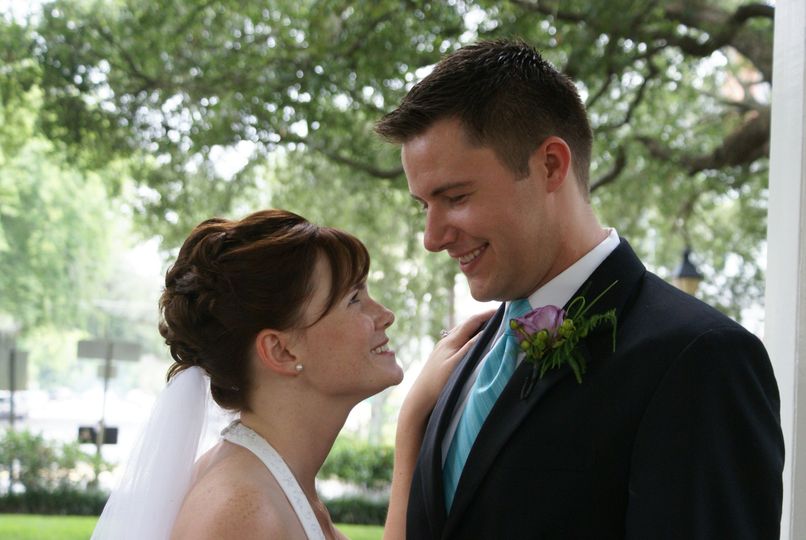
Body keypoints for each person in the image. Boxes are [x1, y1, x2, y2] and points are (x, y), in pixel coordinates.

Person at [375, 39, 784, 539]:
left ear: (550, 165)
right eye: (424, 205)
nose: (432, 238)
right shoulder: (463, 357)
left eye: (455, 197)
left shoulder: (700, 358)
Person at [90, 209, 490, 540]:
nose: (385, 315)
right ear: (281, 350)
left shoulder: (276, 482)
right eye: (354, 299)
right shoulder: (242, 511)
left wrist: (412, 420)